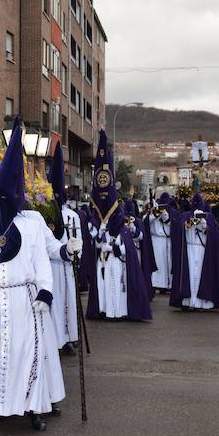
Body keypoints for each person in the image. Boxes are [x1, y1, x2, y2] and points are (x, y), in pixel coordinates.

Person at [0, 120, 65, 434]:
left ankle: (33, 408)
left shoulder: (32, 225)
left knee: (26, 352)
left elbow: (41, 262)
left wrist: (45, 292)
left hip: (23, 297)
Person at [86, 130, 152, 322]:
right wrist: (101, 240)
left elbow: (129, 247)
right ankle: (105, 310)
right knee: (104, 286)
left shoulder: (123, 228)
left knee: (119, 286)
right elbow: (95, 241)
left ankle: (119, 312)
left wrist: (115, 247)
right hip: (104, 261)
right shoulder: (99, 223)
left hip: (116, 261)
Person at [45, 142, 83, 355]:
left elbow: (78, 242)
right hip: (49, 266)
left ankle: (67, 337)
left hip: (65, 266)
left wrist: (76, 253)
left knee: (65, 303)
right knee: (52, 303)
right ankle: (53, 338)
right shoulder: (43, 215)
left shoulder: (72, 216)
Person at [169, 193, 219, 311]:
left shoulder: (209, 217)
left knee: (203, 274)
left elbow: (216, 235)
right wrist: (186, 227)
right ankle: (188, 300)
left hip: (203, 251)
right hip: (190, 249)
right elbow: (176, 230)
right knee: (190, 274)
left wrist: (205, 226)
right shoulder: (185, 216)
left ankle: (203, 300)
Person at [147, 193, 176, 295]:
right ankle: (156, 284)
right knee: (158, 262)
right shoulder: (153, 211)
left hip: (167, 240)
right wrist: (155, 215)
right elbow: (146, 222)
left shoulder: (172, 212)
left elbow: (175, 225)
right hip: (157, 240)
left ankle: (168, 285)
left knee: (168, 263)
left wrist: (166, 218)